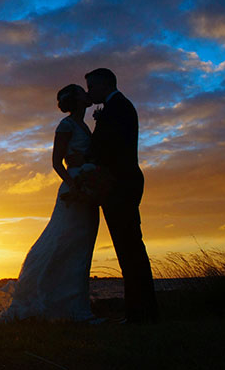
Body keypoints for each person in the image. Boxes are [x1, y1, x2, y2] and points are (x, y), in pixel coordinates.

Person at [0, 84, 100, 322]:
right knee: (64, 242)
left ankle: (75, 306)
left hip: (88, 188)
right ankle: (59, 304)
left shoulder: (85, 125)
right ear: (76, 100)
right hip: (74, 189)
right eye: (83, 92)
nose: (87, 94)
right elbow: (56, 162)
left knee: (82, 247)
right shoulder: (66, 125)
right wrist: (74, 184)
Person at [85, 67, 158, 323]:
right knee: (128, 249)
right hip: (120, 183)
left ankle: (141, 314)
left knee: (130, 248)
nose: (89, 92)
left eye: (91, 86)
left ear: (105, 85)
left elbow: (107, 148)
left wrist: (88, 164)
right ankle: (139, 312)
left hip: (120, 184)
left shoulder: (119, 108)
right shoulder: (117, 107)